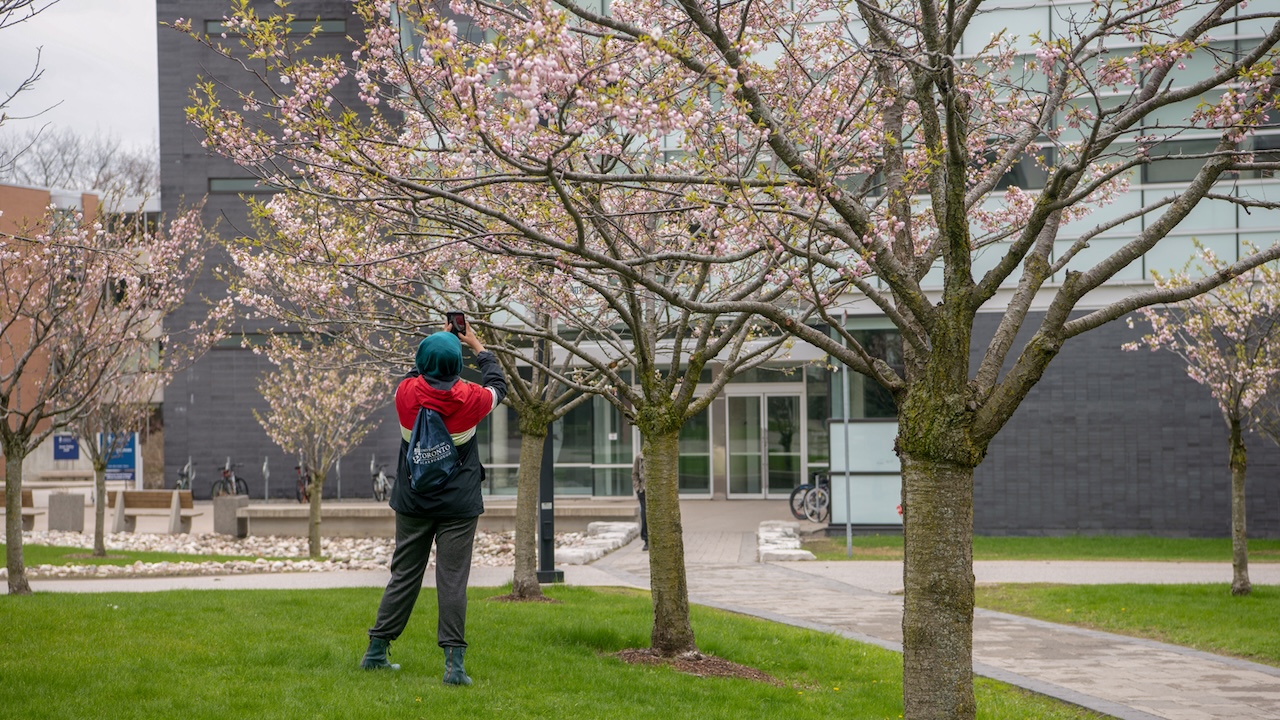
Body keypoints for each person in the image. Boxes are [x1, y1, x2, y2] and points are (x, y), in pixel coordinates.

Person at [360, 322, 507, 686]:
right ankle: (454, 668)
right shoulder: (472, 400)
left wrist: (437, 344)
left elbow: (417, 371)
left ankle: (376, 653)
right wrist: (476, 345)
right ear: (456, 366)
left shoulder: (405, 394)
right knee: (453, 580)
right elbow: (499, 385)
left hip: (413, 500)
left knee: (404, 574)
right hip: (458, 504)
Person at [632, 452, 648, 551]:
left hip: (656, 492)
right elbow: (635, 474)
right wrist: (638, 489)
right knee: (644, 515)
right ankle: (646, 540)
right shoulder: (640, 457)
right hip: (643, 491)